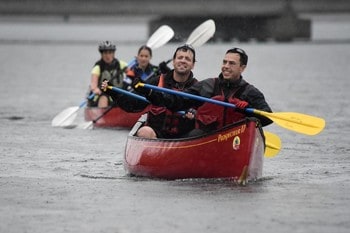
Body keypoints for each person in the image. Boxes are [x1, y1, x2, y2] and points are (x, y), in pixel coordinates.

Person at [136, 47, 273, 136]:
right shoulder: (207, 85)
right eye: (224, 62)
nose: (226, 66)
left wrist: (247, 110)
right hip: (208, 138)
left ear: (242, 68)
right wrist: (150, 93)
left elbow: (268, 117)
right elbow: (175, 102)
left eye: (231, 63)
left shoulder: (250, 92)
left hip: (236, 137)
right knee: (193, 134)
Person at [103, 44, 198, 139]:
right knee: (144, 132)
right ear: (173, 61)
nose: (183, 61)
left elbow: (206, 117)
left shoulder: (198, 87)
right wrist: (113, 91)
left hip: (185, 137)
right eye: (180, 57)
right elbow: (132, 105)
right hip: (155, 135)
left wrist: (195, 113)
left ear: (193, 65)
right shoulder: (156, 81)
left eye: (187, 59)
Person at [88, 41, 128, 108]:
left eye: (110, 53)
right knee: (104, 97)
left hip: (118, 94)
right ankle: (103, 114)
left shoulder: (121, 64)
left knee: (127, 95)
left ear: (113, 54)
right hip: (103, 95)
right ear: (102, 54)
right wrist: (95, 89)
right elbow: (93, 84)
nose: (108, 55)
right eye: (105, 53)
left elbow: (133, 73)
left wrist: (138, 63)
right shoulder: (97, 67)